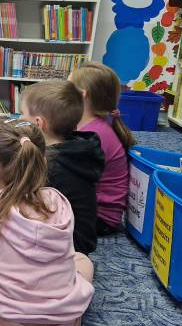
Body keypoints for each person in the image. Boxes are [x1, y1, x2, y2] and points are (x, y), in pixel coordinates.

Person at [0, 119, 95, 325]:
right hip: (66, 319)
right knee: (83, 260)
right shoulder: (60, 202)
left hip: (7, 319)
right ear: (42, 162)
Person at [0, 81, 103, 254]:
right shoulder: (73, 149)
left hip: (62, 247)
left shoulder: (51, 166)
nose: (19, 117)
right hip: (71, 240)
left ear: (38, 123)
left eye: (22, 113)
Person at [69, 62, 135, 235]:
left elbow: (67, 178)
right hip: (95, 210)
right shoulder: (92, 125)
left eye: (67, 88)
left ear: (81, 95)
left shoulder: (93, 135)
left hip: (98, 218)